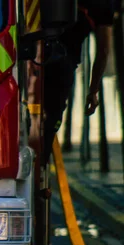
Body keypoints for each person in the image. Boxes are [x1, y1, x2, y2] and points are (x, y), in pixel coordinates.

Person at [42, 0, 116, 164]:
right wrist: (93, 91)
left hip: (32, 52)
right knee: (50, 122)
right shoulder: (106, 4)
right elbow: (103, 50)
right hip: (61, 65)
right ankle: (39, 167)